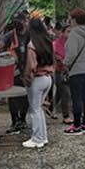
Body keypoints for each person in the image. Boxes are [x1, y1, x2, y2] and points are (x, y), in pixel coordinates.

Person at [23, 18, 54, 149]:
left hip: (37, 79)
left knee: (35, 109)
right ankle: (43, 136)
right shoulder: (47, 42)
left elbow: (31, 65)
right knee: (39, 108)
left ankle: (37, 138)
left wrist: (27, 77)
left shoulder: (32, 44)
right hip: (48, 78)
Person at [63, 8, 85, 135]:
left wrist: (66, 63)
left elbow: (71, 53)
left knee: (76, 98)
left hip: (77, 70)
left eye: (70, 18)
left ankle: (76, 125)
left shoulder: (74, 34)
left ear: (74, 20)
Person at [0, 13, 30, 136]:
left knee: (25, 96)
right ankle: (14, 120)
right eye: (16, 20)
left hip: (27, 69)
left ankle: (22, 119)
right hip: (13, 71)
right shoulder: (10, 35)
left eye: (20, 20)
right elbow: (0, 46)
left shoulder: (30, 35)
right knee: (12, 97)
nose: (18, 22)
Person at [52, 25, 73, 125]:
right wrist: (61, 59)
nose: (70, 34)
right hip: (59, 71)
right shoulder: (56, 44)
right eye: (68, 31)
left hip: (70, 71)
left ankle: (50, 107)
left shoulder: (73, 43)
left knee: (60, 94)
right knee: (65, 93)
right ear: (63, 32)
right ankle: (66, 116)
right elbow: (54, 55)